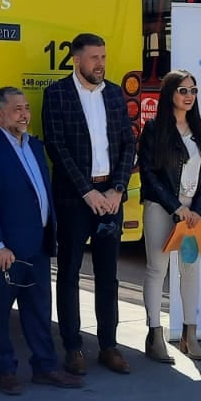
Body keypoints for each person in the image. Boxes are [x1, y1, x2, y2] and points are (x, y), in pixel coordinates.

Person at [0, 87, 83, 394]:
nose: (24, 114)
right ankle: (5, 371)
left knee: (39, 311)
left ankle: (45, 367)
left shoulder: (34, 146)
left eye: (26, 108)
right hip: (5, 252)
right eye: (17, 109)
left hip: (38, 246)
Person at [42, 32, 136, 374]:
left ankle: (109, 346)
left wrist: (117, 189)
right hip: (74, 198)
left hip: (111, 197)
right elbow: (57, 147)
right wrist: (87, 192)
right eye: (94, 57)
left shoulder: (113, 94)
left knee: (108, 275)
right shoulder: (57, 95)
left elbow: (128, 144)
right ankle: (73, 348)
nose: (101, 64)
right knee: (68, 274)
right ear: (77, 60)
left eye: (104, 57)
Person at [137, 69, 201, 363]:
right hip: (162, 206)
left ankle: (190, 334)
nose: (189, 96)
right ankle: (154, 334)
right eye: (183, 90)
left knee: (191, 270)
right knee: (157, 268)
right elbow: (149, 173)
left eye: (193, 91)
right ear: (169, 93)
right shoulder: (155, 128)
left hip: (193, 213)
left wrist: (198, 210)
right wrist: (176, 207)